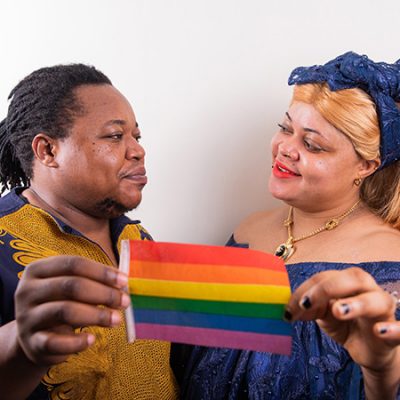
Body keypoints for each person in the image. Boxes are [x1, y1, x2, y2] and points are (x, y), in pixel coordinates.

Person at [177, 52, 400, 399]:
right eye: (285, 128)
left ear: (366, 166)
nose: (285, 149)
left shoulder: (390, 256)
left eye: (312, 145)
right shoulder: (248, 230)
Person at [0, 65, 178, 399]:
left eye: (136, 137)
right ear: (48, 151)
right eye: (114, 136)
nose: (138, 150)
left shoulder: (139, 241)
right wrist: (20, 344)